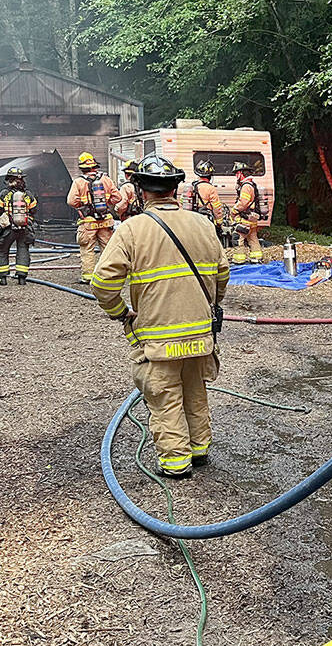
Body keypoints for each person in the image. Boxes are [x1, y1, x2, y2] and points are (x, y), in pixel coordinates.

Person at [91, 155, 229, 478]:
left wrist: (121, 312)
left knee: (165, 396)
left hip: (158, 338)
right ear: (175, 189)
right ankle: (199, 449)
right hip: (199, 335)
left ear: (141, 191)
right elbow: (223, 274)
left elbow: (101, 283)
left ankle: (176, 464)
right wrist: (209, 305)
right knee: (195, 389)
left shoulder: (131, 230)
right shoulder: (203, 225)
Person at [66, 152, 119, 285]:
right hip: (105, 220)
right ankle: (109, 276)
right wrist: (106, 203)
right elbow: (118, 198)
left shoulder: (78, 182)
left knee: (87, 249)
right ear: (95, 166)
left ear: (82, 168)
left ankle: (88, 277)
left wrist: (83, 205)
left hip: (88, 222)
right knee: (108, 249)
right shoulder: (105, 179)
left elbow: (71, 201)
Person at [0, 166, 37, 285]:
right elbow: (34, 210)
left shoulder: (4, 193)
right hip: (25, 227)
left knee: (2, 250)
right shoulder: (28, 194)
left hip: (8, 229)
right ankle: (22, 278)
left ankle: (2, 278)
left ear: (9, 180)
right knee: (23, 249)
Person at [230, 161, 265, 265]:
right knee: (253, 238)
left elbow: (243, 202)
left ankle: (239, 260)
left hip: (245, 218)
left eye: (236, 173)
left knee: (238, 238)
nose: (236, 176)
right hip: (252, 218)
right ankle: (256, 258)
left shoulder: (245, 186)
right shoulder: (252, 184)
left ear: (241, 173)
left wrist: (234, 211)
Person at [188, 160, 229, 244]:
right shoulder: (211, 189)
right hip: (206, 219)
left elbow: (183, 201)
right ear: (210, 176)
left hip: (193, 218)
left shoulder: (192, 187)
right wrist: (219, 222)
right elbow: (217, 208)